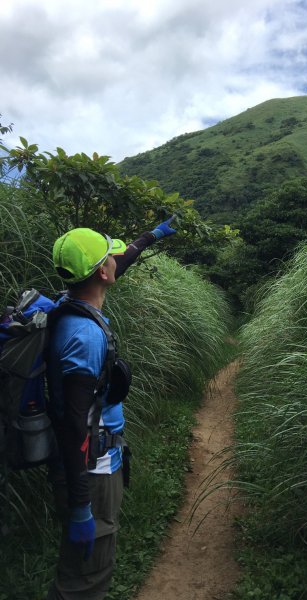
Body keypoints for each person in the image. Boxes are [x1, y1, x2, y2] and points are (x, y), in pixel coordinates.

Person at [46, 218, 176, 600]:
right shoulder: (85, 336)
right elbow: (75, 425)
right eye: (109, 257)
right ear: (103, 272)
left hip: (95, 461)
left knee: (84, 569)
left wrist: (153, 234)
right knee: (85, 578)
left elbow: (123, 258)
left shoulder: (68, 306)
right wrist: (81, 504)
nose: (117, 260)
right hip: (92, 469)